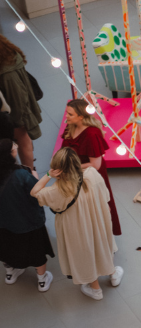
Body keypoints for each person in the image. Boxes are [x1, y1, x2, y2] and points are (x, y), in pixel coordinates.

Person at [30, 148, 120, 300]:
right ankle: (113, 273)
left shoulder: (57, 190)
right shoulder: (92, 174)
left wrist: (47, 175)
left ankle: (95, 289)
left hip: (75, 227)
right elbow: (105, 197)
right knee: (100, 244)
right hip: (96, 219)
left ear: (58, 170)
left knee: (85, 252)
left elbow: (34, 192)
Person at [59, 99, 122, 237]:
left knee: (97, 207)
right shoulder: (71, 126)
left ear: (81, 116)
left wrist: (70, 168)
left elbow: (95, 165)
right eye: (67, 113)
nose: (66, 117)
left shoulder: (91, 134)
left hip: (90, 177)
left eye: (70, 114)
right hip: (76, 173)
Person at [0, 139, 53, 291]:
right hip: (28, 222)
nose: (16, 147)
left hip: (3, 223)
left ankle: (10, 273)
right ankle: (42, 280)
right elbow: (37, 192)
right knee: (36, 250)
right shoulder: (21, 175)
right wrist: (40, 175)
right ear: (9, 155)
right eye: (13, 147)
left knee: (6, 249)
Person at [0, 35, 43, 168]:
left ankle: (29, 173)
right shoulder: (7, 53)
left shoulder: (7, 70)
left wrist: (19, 120)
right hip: (17, 107)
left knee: (23, 140)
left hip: (16, 111)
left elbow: (17, 97)